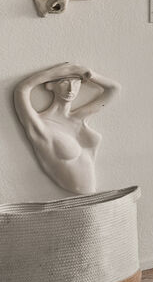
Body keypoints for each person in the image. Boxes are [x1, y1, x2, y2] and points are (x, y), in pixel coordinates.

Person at [14, 63, 120, 195]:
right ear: (50, 85)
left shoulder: (79, 117)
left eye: (76, 83)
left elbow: (114, 89)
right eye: (64, 82)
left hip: (92, 198)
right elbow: (22, 89)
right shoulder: (40, 126)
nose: (71, 89)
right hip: (68, 197)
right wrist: (54, 73)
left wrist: (90, 74)